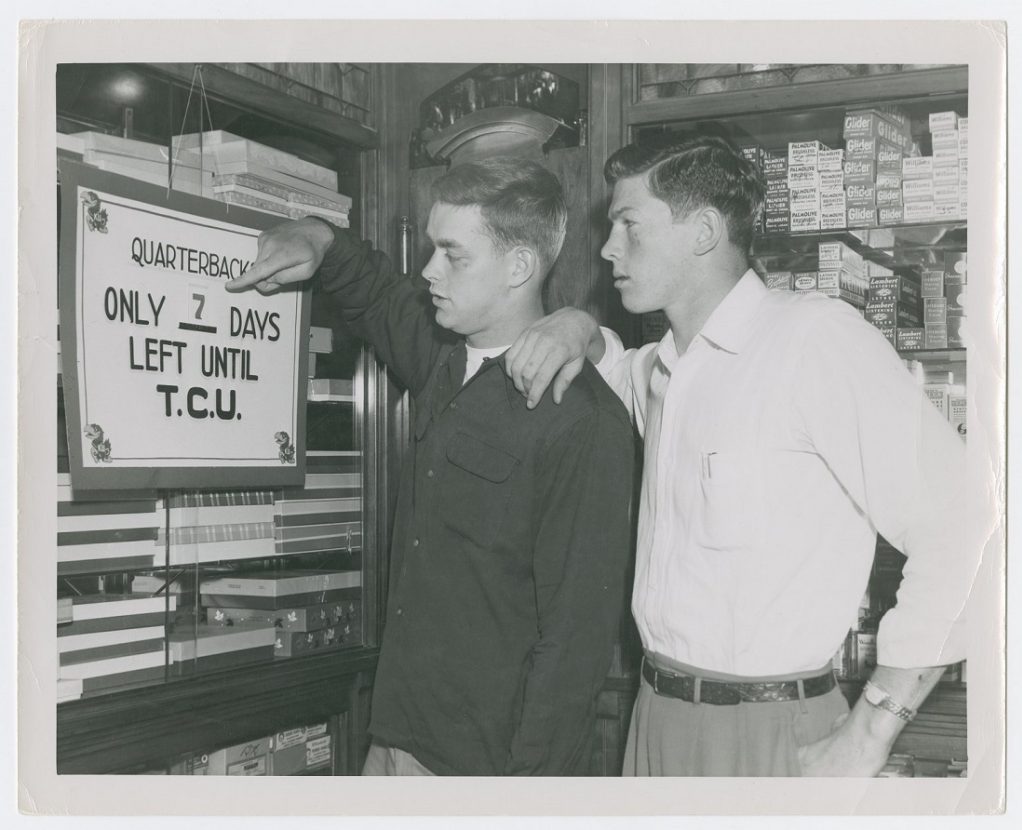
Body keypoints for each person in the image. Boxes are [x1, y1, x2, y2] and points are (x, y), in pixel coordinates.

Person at [503, 133, 976, 776]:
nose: (609, 248)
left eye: (628, 225)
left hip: (774, 734)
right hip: (654, 718)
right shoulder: (664, 365)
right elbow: (606, 367)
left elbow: (971, 529)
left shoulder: (813, 340)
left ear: (702, 231)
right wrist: (577, 325)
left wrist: (871, 731)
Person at [226, 157, 635, 776]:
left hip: (485, 768)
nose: (428, 271)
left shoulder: (584, 422)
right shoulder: (442, 355)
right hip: (393, 736)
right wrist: (317, 235)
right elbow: (373, 287)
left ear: (520, 267)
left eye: (453, 254)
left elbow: (574, 646)